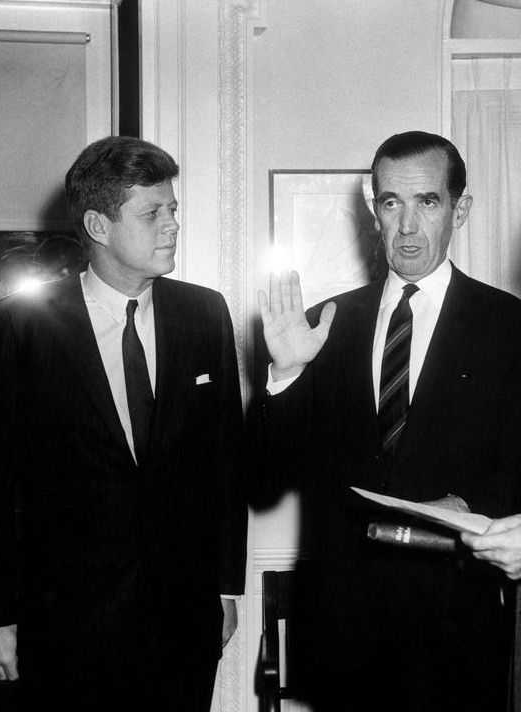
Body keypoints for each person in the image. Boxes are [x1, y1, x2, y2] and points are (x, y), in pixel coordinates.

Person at [0, 136, 247, 710]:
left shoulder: (204, 313)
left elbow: (226, 463)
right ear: (98, 224)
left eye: (173, 209)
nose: (172, 225)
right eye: (152, 213)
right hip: (65, 623)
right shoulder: (20, 326)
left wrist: (225, 587)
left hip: (183, 618)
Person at [251, 130, 521, 711]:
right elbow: (266, 479)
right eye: (391, 203)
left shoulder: (509, 325)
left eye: (427, 202)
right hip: (344, 637)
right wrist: (286, 375)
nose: (406, 227)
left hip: (459, 631)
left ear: (459, 209)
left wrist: (470, 505)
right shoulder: (326, 323)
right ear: (374, 210)